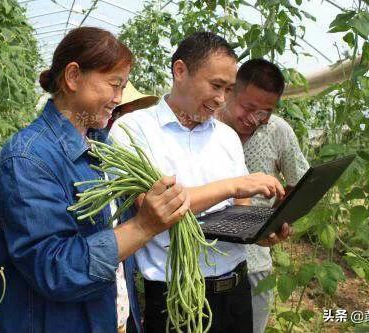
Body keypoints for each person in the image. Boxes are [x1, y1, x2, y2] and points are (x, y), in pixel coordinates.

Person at [0, 27, 189, 333]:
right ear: (73, 77)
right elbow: (53, 269)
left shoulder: (101, 147)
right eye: (114, 85)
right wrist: (144, 225)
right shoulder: (27, 159)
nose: (118, 98)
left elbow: (114, 246)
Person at [109, 32, 291, 333]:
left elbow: (239, 213)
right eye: (216, 85)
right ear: (180, 71)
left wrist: (260, 234)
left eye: (229, 89)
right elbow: (156, 206)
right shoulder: (133, 130)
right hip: (177, 299)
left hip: (235, 291)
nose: (221, 99)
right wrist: (235, 184)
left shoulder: (226, 137)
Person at [216, 58, 310, 333]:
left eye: (265, 111)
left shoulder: (278, 131)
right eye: (248, 107)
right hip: (207, 262)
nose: (254, 118)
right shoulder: (208, 126)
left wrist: (278, 217)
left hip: (255, 262)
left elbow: (299, 181)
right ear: (231, 91)